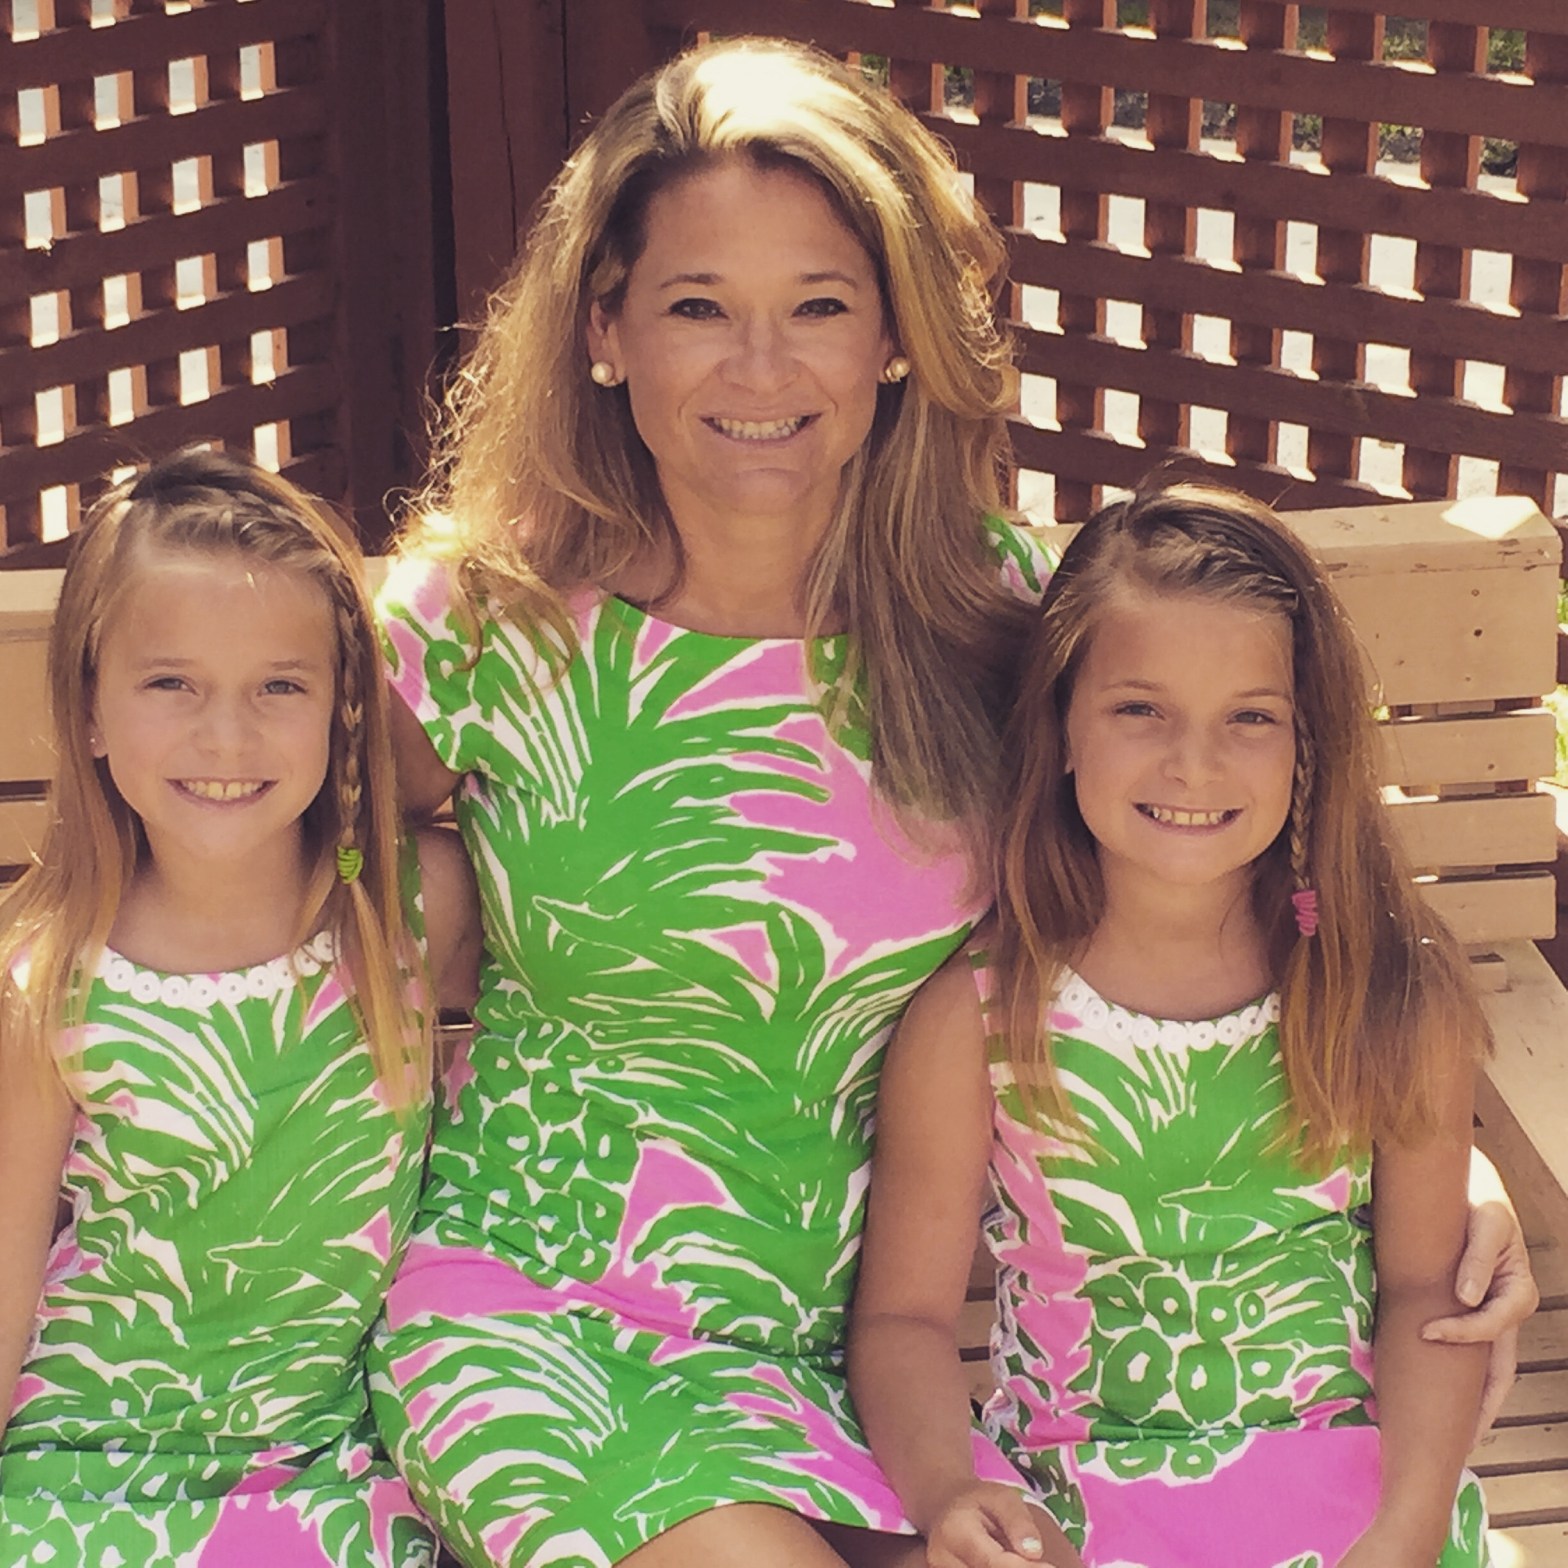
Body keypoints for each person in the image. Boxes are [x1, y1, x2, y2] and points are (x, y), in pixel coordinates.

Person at [367, 36, 1534, 1568]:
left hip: (876, 1368)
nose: (762, 370)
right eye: (699, 306)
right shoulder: (484, 626)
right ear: (604, 327)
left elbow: (1248, 883)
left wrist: (1455, 1179)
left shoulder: (1001, 623)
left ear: (896, 339)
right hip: (544, 1314)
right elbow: (245, 912)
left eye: (820, 307)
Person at [849, 484, 1509, 1568]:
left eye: (1249, 717)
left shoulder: (1381, 990)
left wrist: (1405, 1529)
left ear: (1307, 742)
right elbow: (904, 1321)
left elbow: (1424, 1292)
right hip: (1074, 1504)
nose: (1192, 764)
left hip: (1352, 1504)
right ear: (1061, 723)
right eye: (1139, 709)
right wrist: (951, 1491)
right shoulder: (977, 1019)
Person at [0, 450, 479, 1566]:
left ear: (342, 711)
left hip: (330, 1474)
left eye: (280, 686)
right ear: (92, 710)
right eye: (172, 683)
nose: (227, 736)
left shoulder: (415, 912)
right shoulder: (50, 981)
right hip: (82, 1474)